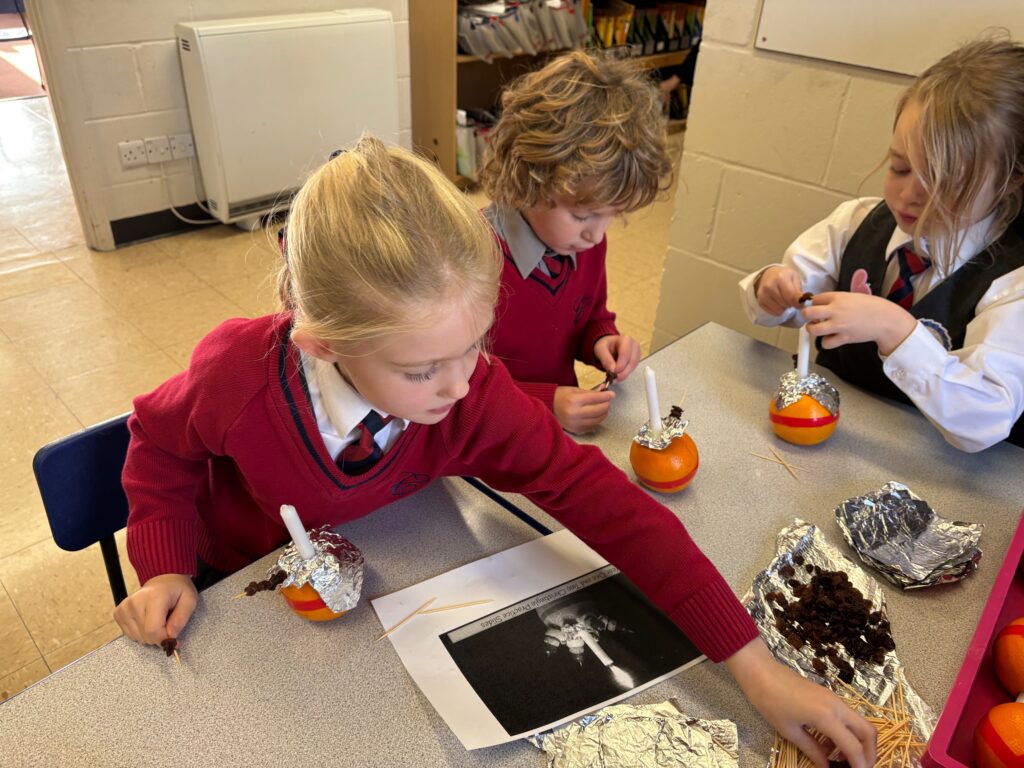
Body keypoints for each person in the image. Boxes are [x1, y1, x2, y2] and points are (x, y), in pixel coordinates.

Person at [114, 137, 874, 768]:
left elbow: (606, 504)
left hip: (378, 593)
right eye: (422, 370)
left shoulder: (472, 391)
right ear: (326, 344)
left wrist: (752, 665)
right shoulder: (233, 377)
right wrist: (166, 561)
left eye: (475, 346)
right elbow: (157, 442)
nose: (461, 383)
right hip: (247, 592)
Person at [740, 37, 1024, 452]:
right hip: (829, 443)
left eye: (943, 183)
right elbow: (790, 305)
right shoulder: (856, 222)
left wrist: (896, 329)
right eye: (900, 167)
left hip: (934, 473)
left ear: (1010, 179)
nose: (909, 196)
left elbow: (986, 419)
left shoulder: (1013, 283)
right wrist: (770, 289)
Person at [478, 50, 671, 434]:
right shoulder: (469, 261)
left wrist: (603, 341)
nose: (596, 234)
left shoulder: (582, 244)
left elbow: (589, 315)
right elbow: (454, 388)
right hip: (491, 436)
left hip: (557, 431)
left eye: (611, 215)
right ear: (527, 179)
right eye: (583, 216)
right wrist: (544, 402)